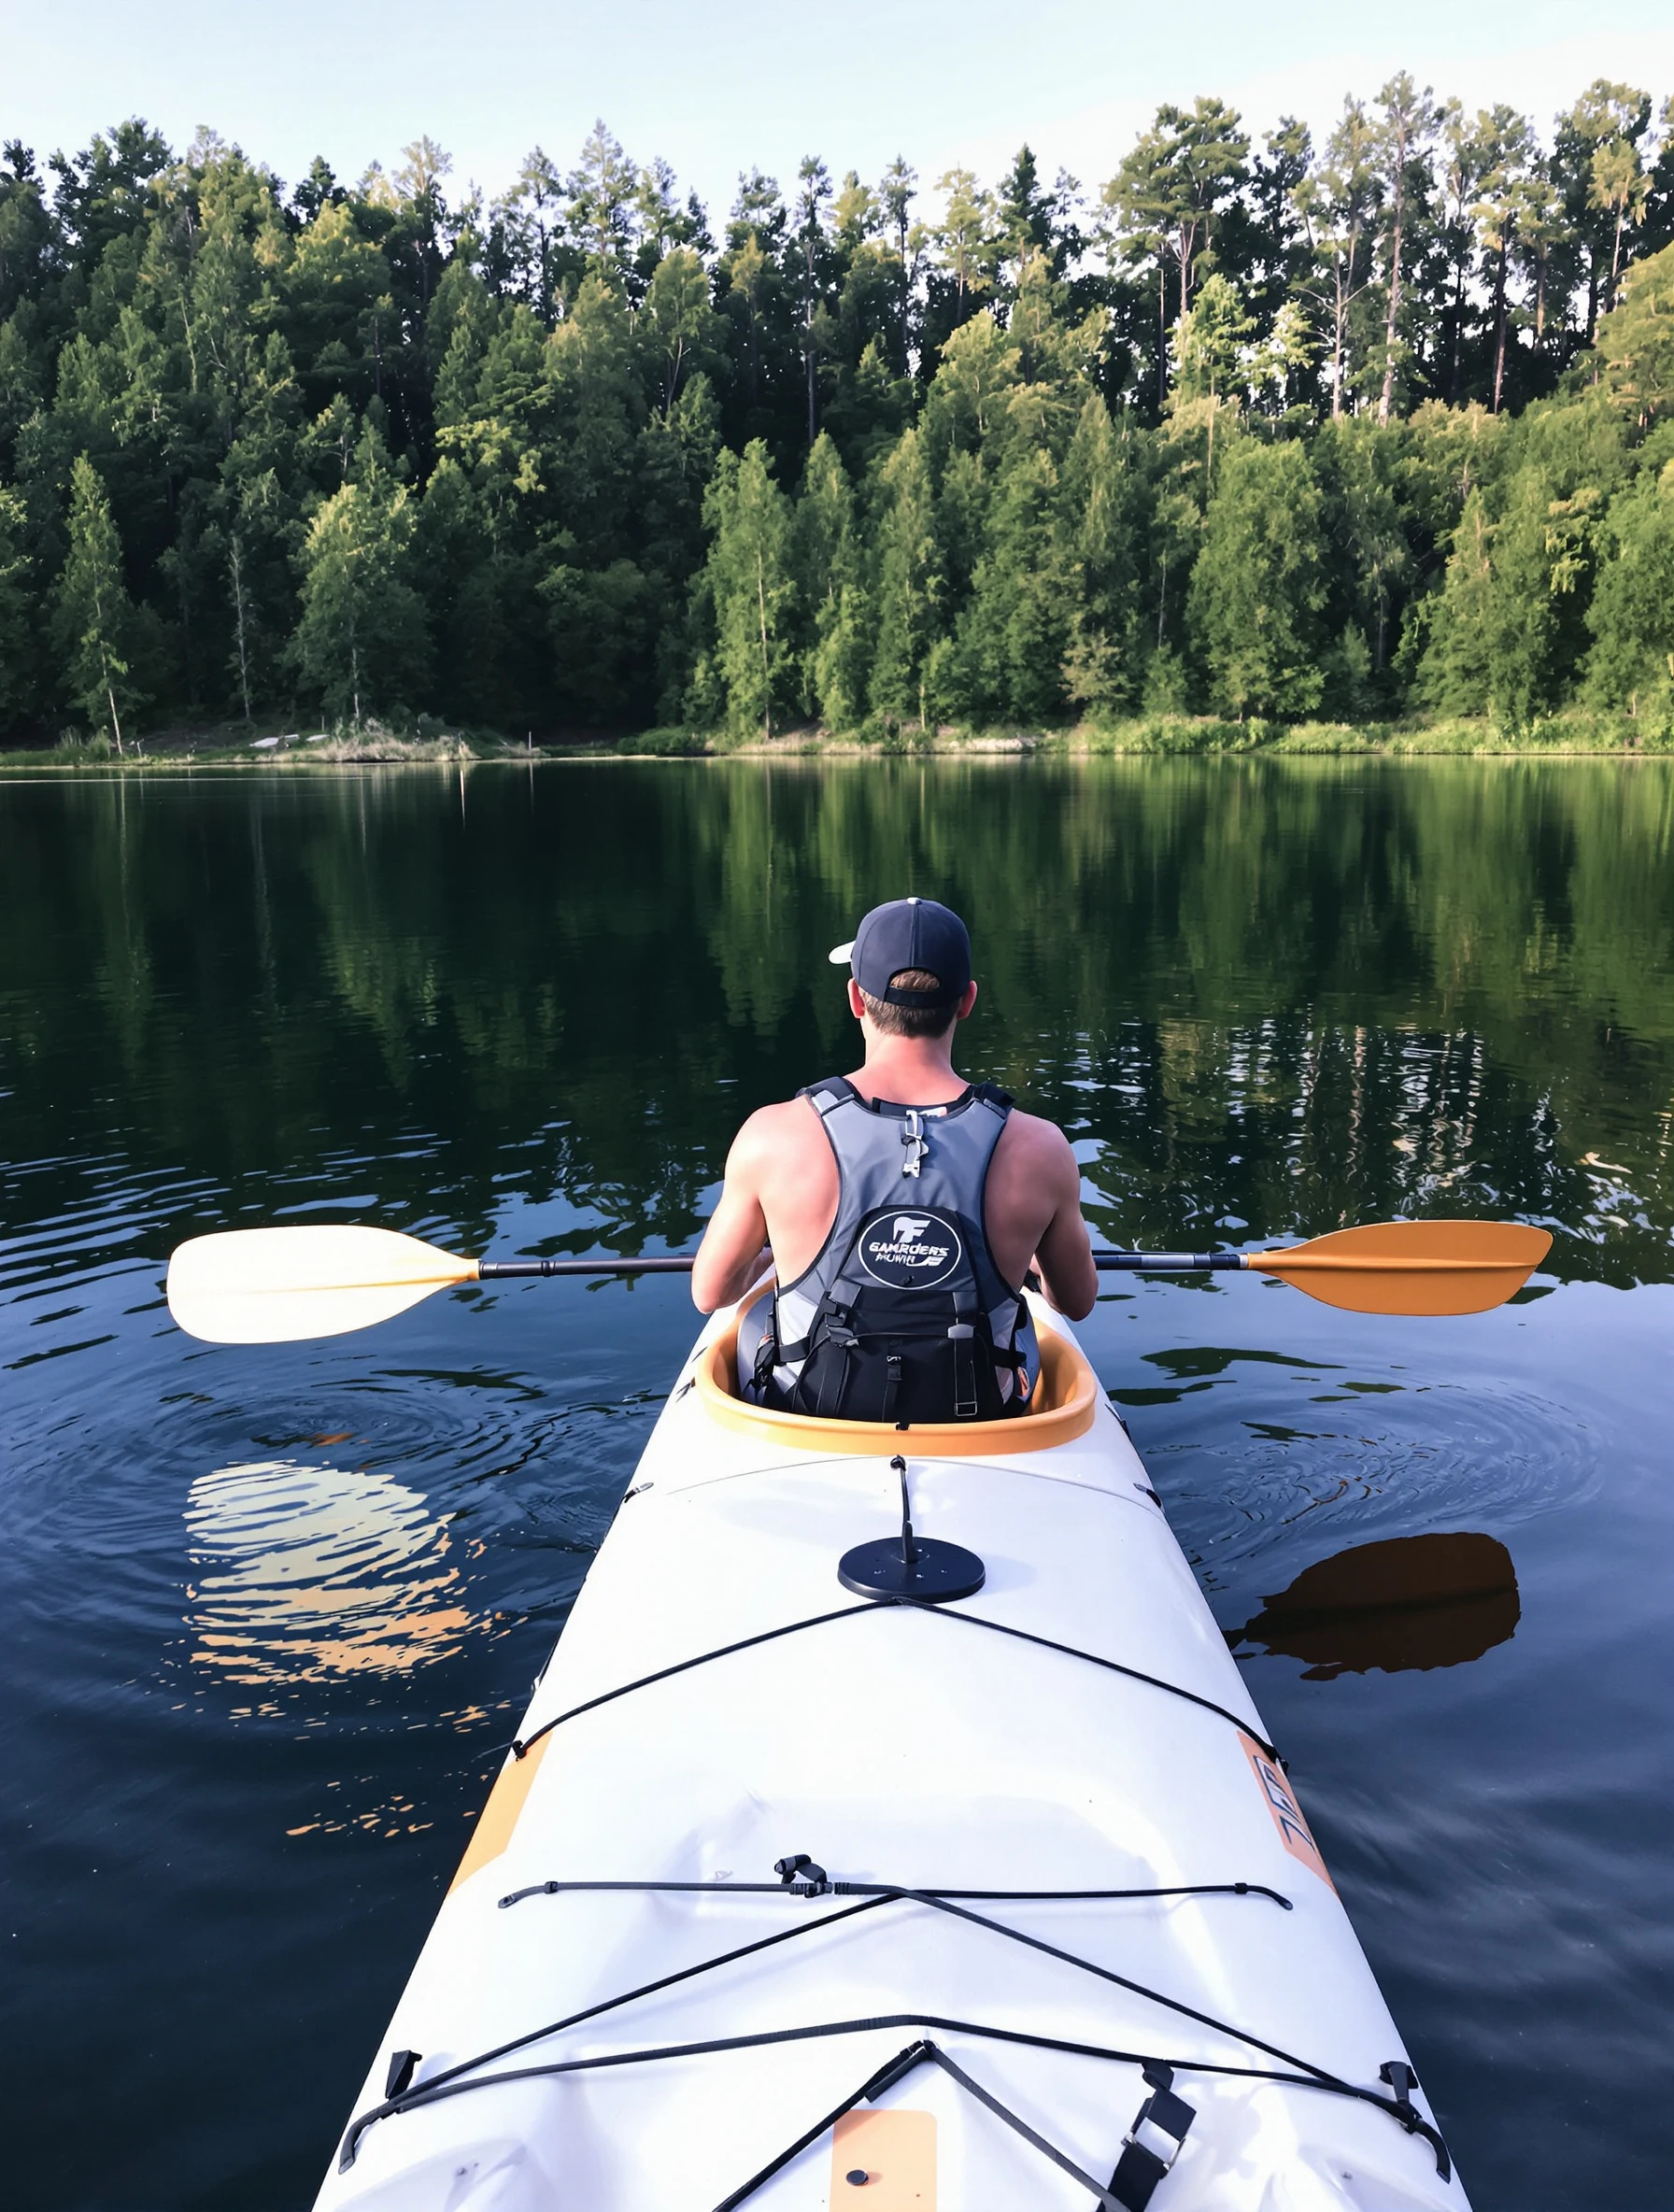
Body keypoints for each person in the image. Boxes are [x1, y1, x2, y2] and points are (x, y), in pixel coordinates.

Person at [691, 897, 1097, 1423]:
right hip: (980, 1423)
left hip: (811, 1418)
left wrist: (776, 1257)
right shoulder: (1040, 1147)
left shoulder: (774, 1133)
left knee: (751, 1324)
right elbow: (1075, 1302)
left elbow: (712, 1293)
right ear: (967, 1000)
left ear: (856, 999)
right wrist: (1026, 1254)